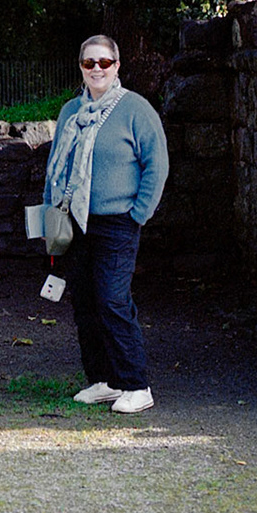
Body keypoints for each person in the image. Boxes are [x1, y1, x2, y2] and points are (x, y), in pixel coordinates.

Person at [42, 35, 170, 415]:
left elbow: (156, 165)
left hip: (118, 222)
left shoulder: (136, 110)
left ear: (116, 66)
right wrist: (52, 212)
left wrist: (138, 214)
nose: (96, 69)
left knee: (113, 299)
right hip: (75, 220)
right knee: (84, 300)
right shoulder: (70, 112)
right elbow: (56, 167)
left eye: (103, 62)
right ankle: (104, 380)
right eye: (88, 63)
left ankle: (136, 384)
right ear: (80, 67)